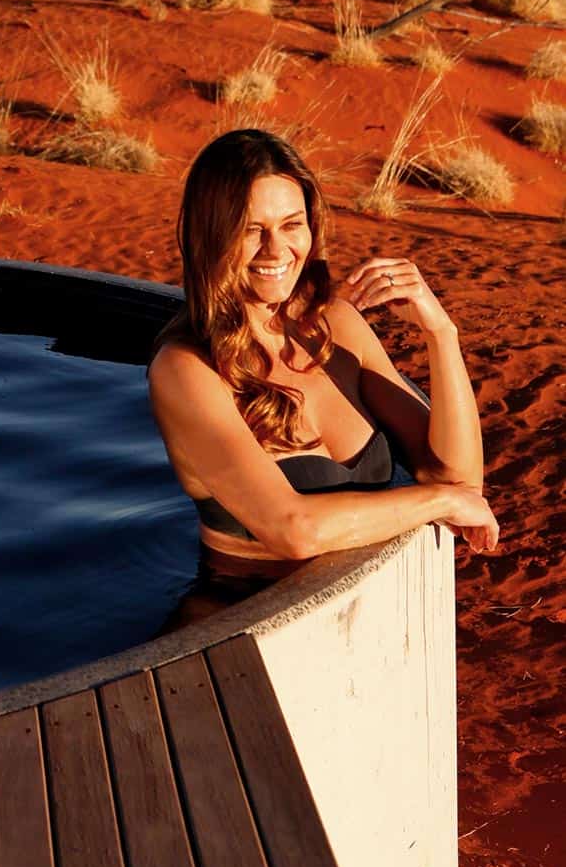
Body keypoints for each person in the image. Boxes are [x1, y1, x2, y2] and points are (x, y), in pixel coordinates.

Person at [149, 128, 498, 592]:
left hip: (367, 602)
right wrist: (438, 503)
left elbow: (459, 477)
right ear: (210, 236)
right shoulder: (186, 369)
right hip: (249, 620)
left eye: (292, 225)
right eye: (252, 230)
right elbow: (293, 530)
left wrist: (441, 333)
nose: (276, 250)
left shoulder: (336, 324)